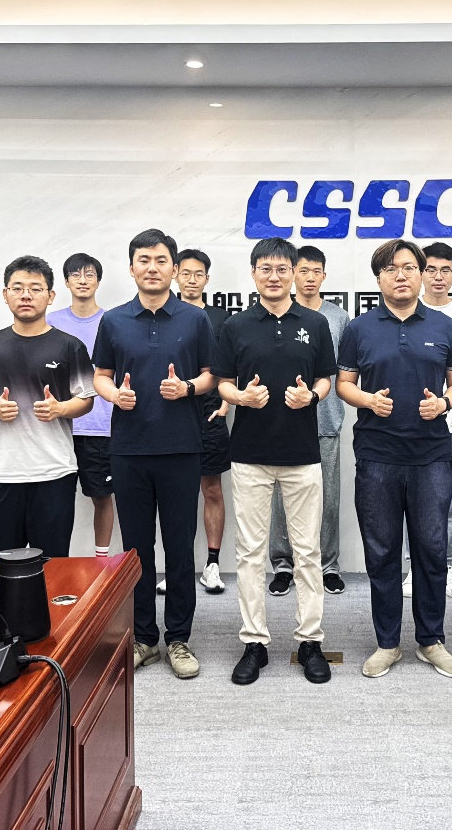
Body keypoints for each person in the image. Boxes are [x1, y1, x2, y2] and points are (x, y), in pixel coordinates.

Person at [337, 239, 452, 680]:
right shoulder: (359, 328)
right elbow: (344, 384)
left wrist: (444, 403)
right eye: (391, 269)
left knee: (432, 549)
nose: (401, 275)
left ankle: (431, 641)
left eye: (410, 267)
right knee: (381, 551)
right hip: (377, 455)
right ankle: (387, 643)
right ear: (379, 278)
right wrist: (368, 401)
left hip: (431, 455)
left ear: (422, 274)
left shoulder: (444, 325)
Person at [92, 229, 217, 679]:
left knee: (180, 547)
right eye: (143, 260)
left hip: (181, 448)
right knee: (136, 548)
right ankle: (144, 637)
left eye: (161, 260)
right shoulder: (114, 321)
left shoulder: (195, 319)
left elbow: (211, 376)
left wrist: (187, 388)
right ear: (131, 268)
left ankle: (179, 638)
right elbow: (100, 375)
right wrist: (114, 395)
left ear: (174, 269)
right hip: (129, 450)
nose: (152, 267)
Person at [214, 238, 337, 685]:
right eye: (265, 268)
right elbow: (222, 382)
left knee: (307, 552)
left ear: (294, 273)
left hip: (302, 455)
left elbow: (326, 378)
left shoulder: (316, 323)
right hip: (250, 454)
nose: (274, 276)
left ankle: (310, 641)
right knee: (250, 553)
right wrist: (240, 397)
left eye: (282, 269)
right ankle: (255, 643)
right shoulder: (236, 325)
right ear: (253, 274)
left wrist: (313, 397)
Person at [0, 255, 96, 559]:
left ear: (51, 296)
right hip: (1, 472)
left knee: (53, 562)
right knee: (3, 563)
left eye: (35, 288)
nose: (26, 295)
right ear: (5, 294)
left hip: (54, 472)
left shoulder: (70, 346)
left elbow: (86, 399)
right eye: (17, 288)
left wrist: (60, 409)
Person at [268, 244, 350, 597]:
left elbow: (344, 373)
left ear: (324, 276)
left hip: (326, 420)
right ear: (292, 273)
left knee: (327, 498)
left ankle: (327, 566)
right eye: (303, 270)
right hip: (282, 421)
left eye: (317, 271)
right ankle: (283, 565)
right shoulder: (278, 314)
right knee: (280, 498)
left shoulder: (338, 318)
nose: (310, 278)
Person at [399, 241, 452, 601]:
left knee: (451, 498)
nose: (438, 277)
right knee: (410, 498)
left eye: (445, 270)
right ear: (419, 273)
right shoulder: (404, 309)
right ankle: (415, 566)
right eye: (430, 269)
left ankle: (446, 564)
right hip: (408, 424)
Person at [48, 254, 117, 559]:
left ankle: (101, 562)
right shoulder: (51, 322)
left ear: (98, 281)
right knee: (55, 501)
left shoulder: (113, 322)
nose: (83, 281)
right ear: (66, 282)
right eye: (75, 275)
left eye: (89, 275)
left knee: (102, 496)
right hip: (58, 426)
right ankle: (55, 562)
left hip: (101, 427)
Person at [173, 247, 233, 594]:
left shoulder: (221, 319)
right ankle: (177, 567)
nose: (192, 280)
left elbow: (233, 366)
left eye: (199, 274)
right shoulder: (166, 315)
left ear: (207, 279)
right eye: (186, 273)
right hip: (175, 416)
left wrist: (225, 404)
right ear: (176, 275)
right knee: (177, 494)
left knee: (211, 489)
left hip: (210, 414)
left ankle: (212, 565)